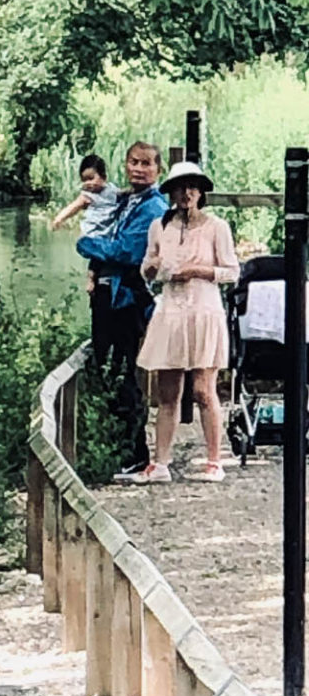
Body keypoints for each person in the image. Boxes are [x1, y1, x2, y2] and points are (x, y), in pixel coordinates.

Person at [120, 160, 239, 483]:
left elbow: (231, 271)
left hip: (203, 308)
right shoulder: (160, 226)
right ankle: (160, 463)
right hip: (172, 308)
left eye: (192, 187)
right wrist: (153, 267)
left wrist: (198, 271)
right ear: (171, 192)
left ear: (201, 192)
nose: (186, 193)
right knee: (167, 390)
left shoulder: (217, 226)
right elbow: (148, 266)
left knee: (203, 388)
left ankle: (214, 460)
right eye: (180, 188)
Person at [76, 142, 170, 475]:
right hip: (109, 295)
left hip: (126, 299)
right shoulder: (127, 200)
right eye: (134, 162)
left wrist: (85, 244)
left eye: (147, 163)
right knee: (108, 368)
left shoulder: (153, 207)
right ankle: (116, 448)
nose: (139, 169)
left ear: (158, 169)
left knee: (122, 371)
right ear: (125, 165)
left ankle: (134, 454)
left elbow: (127, 251)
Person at [52, 154, 122, 362]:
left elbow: (125, 195)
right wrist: (59, 218)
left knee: (102, 255)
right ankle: (91, 277)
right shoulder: (87, 195)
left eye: (92, 178)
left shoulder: (113, 191)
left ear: (104, 176)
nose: (88, 184)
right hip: (95, 233)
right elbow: (73, 207)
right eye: (84, 179)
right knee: (95, 259)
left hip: (109, 232)